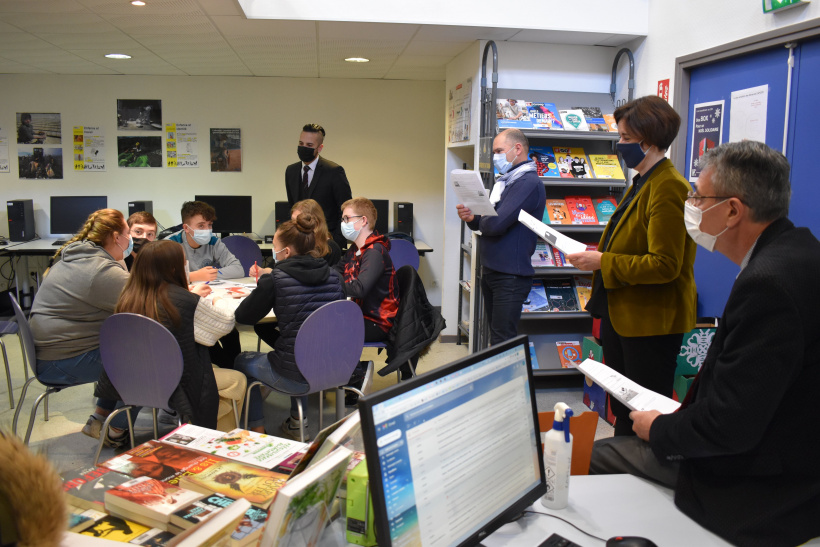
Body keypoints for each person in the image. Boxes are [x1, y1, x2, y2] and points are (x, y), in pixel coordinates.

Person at [589, 141, 820, 546]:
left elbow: (730, 426)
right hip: (791, 446)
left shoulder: (766, 286)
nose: (690, 204)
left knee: (598, 454)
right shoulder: (800, 250)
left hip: (765, 482)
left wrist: (660, 427)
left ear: (732, 210)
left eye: (697, 195)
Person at [567, 95, 696, 436]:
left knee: (641, 412)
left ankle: (637, 478)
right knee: (622, 409)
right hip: (623, 314)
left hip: (649, 323)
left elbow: (665, 264)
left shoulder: (669, 187)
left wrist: (602, 260)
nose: (619, 145)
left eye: (625, 138)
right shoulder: (643, 180)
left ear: (649, 140)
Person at [91, 240, 246, 443]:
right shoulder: (184, 301)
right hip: (175, 385)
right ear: (174, 268)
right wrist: (219, 301)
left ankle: (189, 428)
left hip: (131, 380)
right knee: (237, 380)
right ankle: (212, 441)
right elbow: (225, 324)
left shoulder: (128, 297)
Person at [233, 214, 344, 438]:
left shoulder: (276, 278)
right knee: (300, 350)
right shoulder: (335, 277)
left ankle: (257, 429)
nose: (273, 252)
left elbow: (244, 316)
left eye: (275, 247)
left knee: (241, 360)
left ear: (287, 252)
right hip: (331, 368)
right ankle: (296, 421)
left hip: (295, 374)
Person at [29, 209, 130, 443]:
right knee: (140, 360)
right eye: (127, 232)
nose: (129, 239)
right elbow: (147, 302)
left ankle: (99, 419)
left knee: (128, 347)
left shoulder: (77, 257)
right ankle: (115, 431)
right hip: (60, 361)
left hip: (53, 352)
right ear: (116, 237)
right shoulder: (100, 270)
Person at [456, 128, 546, 345]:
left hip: (510, 276)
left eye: (499, 151)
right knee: (496, 337)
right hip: (494, 271)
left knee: (502, 340)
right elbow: (489, 221)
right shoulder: (508, 181)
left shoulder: (527, 183)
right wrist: (472, 219)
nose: (495, 156)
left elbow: (496, 223)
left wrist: (483, 219)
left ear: (518, 149)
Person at [249, 199, 341, 350]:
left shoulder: (329, 248)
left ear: (314, 222)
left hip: (312, 308)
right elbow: (277, 267)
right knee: (262, 326)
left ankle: (293, 353)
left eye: (298, 222)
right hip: (295, 305)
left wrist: (273, 274)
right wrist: (263, 271)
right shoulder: (295, 243)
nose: (292, 227)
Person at [335, 197, 399, 405]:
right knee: (332, 321)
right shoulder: (356, 249)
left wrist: (331, 282)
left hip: (379, 321)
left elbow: (360, 289)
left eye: (347, 218)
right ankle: (349, 375)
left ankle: (357, 374)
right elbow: (338, 270)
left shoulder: (375, 251)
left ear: (363, 221)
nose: (343, 223)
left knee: (333, 327)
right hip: (361, 314)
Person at [167, 201, 244, 368]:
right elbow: (163, 278)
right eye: (201, 225)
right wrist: (194, 275)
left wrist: (212, 275)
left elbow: (238, 269)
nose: (207, 230)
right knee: (210, 337)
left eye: (209, 225)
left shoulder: (214, 242)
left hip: (208, 298)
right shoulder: (170, 244)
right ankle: (231, 372)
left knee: (231, 332)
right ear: (186, 228)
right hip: (184, 305)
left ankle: (236, 372)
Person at [285, 123, 352, 249]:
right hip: (300, 243)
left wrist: (335, 243)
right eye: (301, 144)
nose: (304, 148)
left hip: (327, 244)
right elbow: (292, 205)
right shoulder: (291, 171)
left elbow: (345, 209)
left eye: (309, 145)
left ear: (319, 148)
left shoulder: (334, 171)